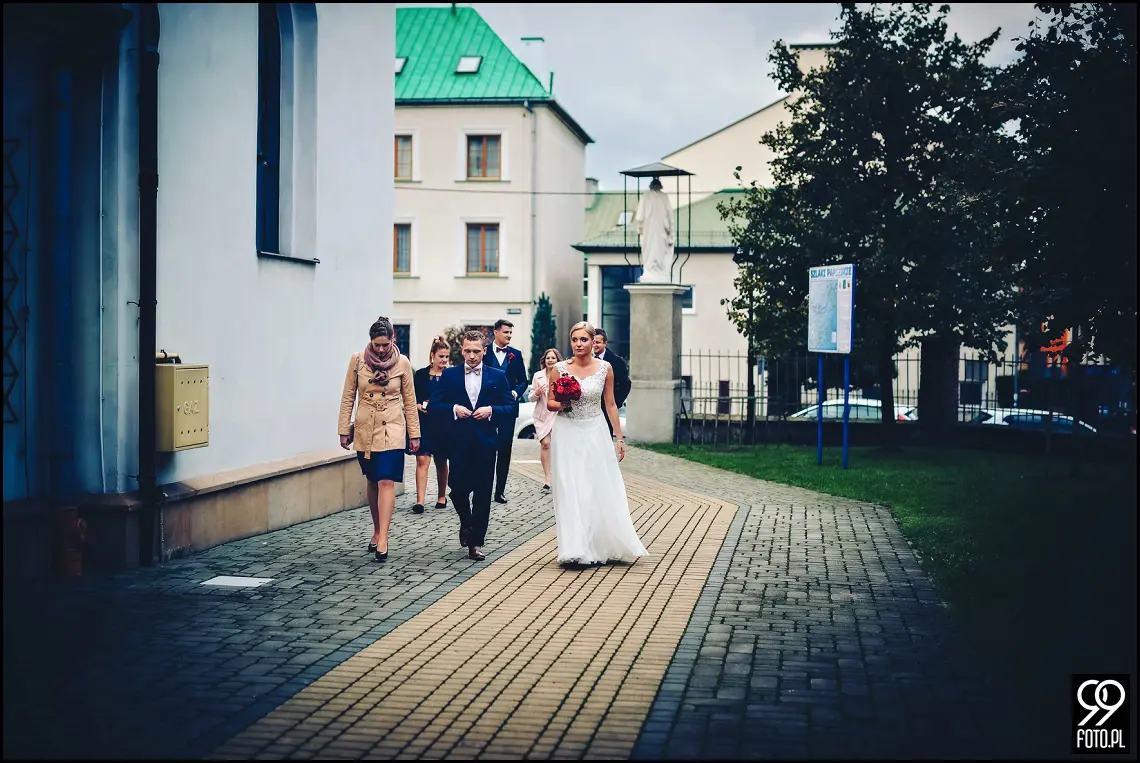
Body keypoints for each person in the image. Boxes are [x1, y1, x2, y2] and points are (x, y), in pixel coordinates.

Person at [546, 321, 648, 567]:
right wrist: (562, 403)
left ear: (594, 341)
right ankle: (574, 548)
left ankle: (599, 543)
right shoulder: (559, 369)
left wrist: (619, 438)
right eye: (574, 340)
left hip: (595, 430)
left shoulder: (605, 368)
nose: (578, 344)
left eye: (583, 339)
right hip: (567, 430)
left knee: (595, 486)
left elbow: (611, 405)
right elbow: (550, 402)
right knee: (570, 487)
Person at [339, 316, 419, 563]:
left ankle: (383, 537)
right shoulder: (358, 361)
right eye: (377, 345)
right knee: (373, 480)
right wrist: (344, 429)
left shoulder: (403, 363)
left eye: (385, 344)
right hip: (366, 429)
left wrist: (414, 434)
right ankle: (376, 529)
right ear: (371, 341)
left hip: (393, 428)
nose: (381, 349)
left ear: (393, 339)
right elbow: (348, 397)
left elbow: (410, 401)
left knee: (386, 480)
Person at [429, 330, 515, 561]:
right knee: (457, 490)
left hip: (486, 444)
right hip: (457, 442)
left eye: (476, 351)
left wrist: (491, 411)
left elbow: (511, 409)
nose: (472, 356)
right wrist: (453, 409)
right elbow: (435, 406)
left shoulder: (497, 376)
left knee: (483, 495)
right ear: (461, 350)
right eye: (467, 351)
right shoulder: (450, 376)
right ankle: (466, 523)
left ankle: (476, 542)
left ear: (484, 351)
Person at [482, 319, 527, 503]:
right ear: (496, 332)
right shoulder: (483, 352)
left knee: (505, 449)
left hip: (508, 409)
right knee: (486, 449)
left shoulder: (515, 355)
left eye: (510, 333)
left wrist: (516, 392)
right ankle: (483, 487)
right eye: (506, 332)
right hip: (487, 409)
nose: (509, 335)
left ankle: (499, 491)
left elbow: (524, 380)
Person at [409, 335, 451, 514]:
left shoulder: (450, 376)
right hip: (424, 422)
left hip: (443, 424)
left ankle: (442, 496)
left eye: (446, 357)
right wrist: (419, 406)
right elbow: (413, 398)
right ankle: (420, 501)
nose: (444, 360)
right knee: (422, 459)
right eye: (441, 356)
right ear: (432, 355)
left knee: (441, 461)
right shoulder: (420, 375)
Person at [528, 347, 563, 491]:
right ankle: (547, 478)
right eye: (548, 358)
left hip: (558, 415)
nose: (550, 360)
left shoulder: (563, 375)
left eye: (553, 358)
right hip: (542, 415)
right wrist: (536, 392)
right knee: (545, 444)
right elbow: (531, 398)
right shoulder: (538, 376)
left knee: (559, 447)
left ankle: (560, 476)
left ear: (557, 360)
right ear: (544, 360)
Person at [592, 328, 631, 439]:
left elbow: (626, 385)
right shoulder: (585, 360)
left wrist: (616, 402)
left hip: (606, 410)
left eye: (598, 342)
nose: (595, 345)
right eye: (593, 342)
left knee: (604, 440)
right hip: (589, 409)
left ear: (605, 343)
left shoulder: (616, 361)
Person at [635, 177, 674, 283]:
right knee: (659, 251)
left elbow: (639, 217)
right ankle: (656, 272)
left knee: (650, 251)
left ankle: (651, 272)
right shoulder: (664, 197)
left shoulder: (645, 197)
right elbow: (671, 218)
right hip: (661, 231)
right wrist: (671, 235)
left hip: (648, 231)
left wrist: (640, 230)